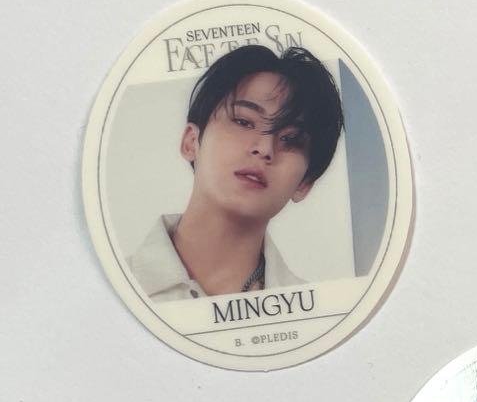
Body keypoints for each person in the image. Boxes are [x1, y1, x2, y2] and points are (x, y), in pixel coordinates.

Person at [128, 45, 344, 302]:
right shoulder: (115, 287)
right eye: (244, 122)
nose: (265, 149)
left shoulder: (317, 311)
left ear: (305, 183)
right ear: (191, 142)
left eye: (291, 139)